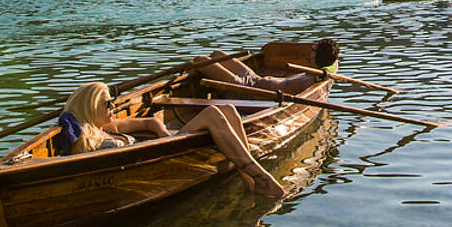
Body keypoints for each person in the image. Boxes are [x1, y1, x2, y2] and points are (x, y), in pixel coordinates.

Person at [59, 81, 286, 199]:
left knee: (227, 108)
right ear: (89, 107)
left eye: (113, 102)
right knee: (215, 113)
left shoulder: (109, 126)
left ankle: (249, 179)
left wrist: (166, 137)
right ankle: (260, 177)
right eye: (107, 104)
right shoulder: (83, 137)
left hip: (165, 144)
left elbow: (150, 122)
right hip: (151, 155)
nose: (114, 107)